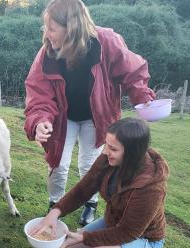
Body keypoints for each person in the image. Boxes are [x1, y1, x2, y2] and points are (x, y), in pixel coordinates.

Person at [24, 0, 155, 226]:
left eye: (52, 28)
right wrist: (40, 121)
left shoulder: (107, 42)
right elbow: (38, 91)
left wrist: (143, 97)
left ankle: (90, 204)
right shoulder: (47, 53)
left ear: (71, 28)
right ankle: (55, 205)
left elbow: (133, 71)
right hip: (63, 117)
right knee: (58, 163)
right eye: (46, 27)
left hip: (98, 117)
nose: (47, 33)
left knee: (91, 165)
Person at [31, 118, 168, 248]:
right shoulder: (107, 159)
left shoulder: (151, 187)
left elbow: (128, 232)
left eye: (113, 148)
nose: (105, 151)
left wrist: (86, 238)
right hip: (113, 223)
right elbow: (83, 189)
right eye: (106, 144)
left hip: (144, 238)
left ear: (132, 153)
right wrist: (55, 212)